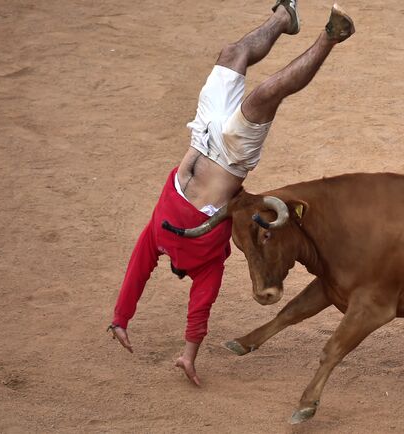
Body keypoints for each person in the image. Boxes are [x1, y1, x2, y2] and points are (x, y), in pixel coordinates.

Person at [108, 1, 355, 386]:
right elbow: (199, 310)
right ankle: (332, 35)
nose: (171, 261)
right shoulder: (207, 265)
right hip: (231, 156)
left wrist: (121, 318)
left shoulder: (155, 237)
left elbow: (135, 273)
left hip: (202, 135)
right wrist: (189, 354)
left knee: (232, 53)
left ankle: (284, 18)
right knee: (264, 95)